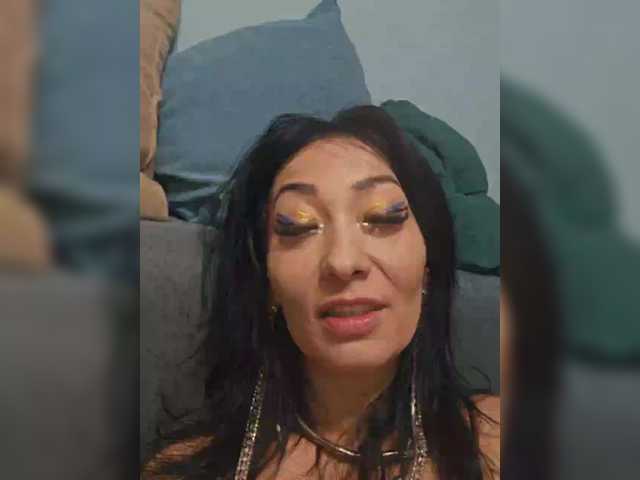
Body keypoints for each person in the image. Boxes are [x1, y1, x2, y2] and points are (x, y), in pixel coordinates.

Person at [143, 105, 499, 479]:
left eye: (382, 217)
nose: (343, 262)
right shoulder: (179, 470)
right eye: (298, 226)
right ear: (266, 280)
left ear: (427, 265)